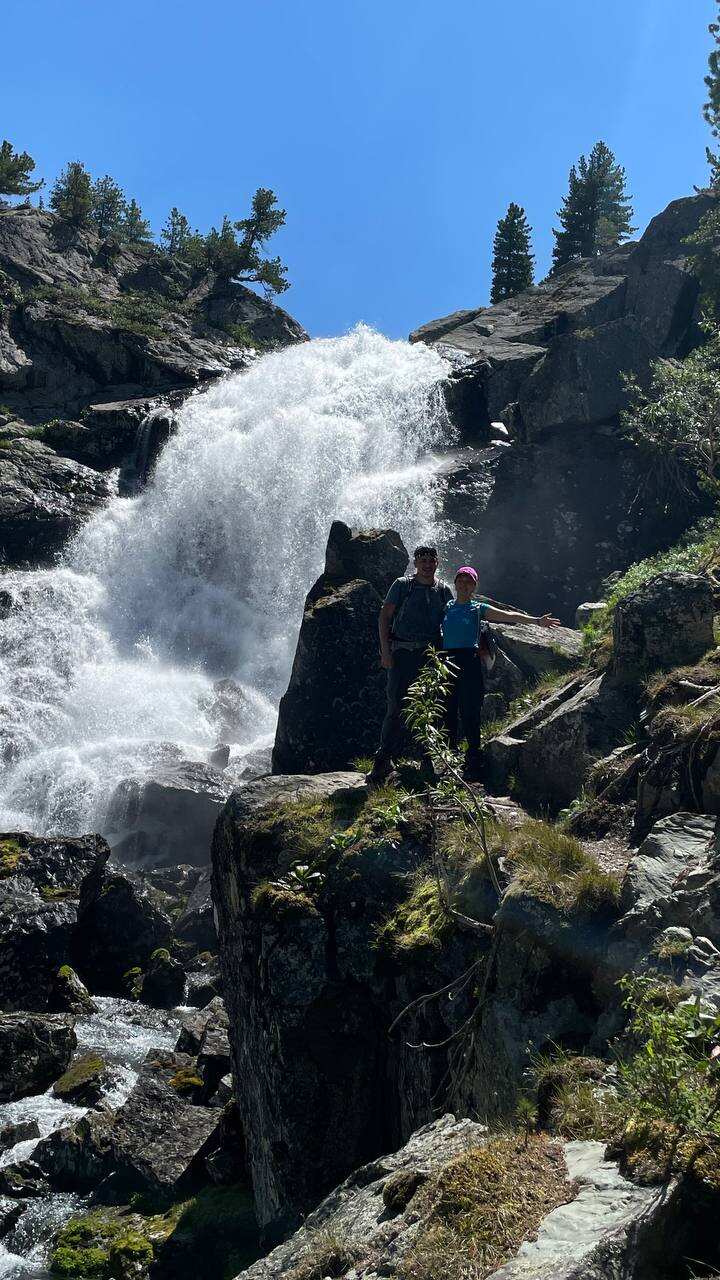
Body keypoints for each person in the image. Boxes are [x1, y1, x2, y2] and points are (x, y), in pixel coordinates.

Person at [441, 565, 562, 779]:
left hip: (469, 661)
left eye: (469, 581)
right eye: (461, 580)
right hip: (446, 661)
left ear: (474, 586)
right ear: (455, 583)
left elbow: (508, 616)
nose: (464, 584)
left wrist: (537, 621)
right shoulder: (446, 606)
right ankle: (447, 757)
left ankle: (473, 757)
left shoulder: (478, 608)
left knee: (470, 711)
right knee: (447, 709)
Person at [367, 545, 453, 786]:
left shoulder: (443, 590)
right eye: (422, 560)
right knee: (395, 707)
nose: (427, 564)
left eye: (431, 560)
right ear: (415, 563)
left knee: (428, 706)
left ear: (437, 563)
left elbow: (452, 621)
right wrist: (385, 652)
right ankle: (382, 760)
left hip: (430, 655)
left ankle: (427, 759)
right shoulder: (402, 585)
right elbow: (384, 617)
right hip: (402, 653)